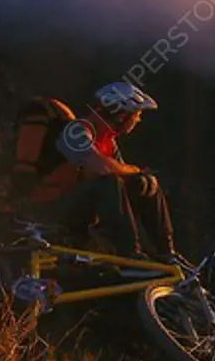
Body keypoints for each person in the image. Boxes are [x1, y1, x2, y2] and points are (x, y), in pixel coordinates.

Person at [26, 82, 178, 261]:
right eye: (136, 115)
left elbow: (125, 176)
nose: (138, 120)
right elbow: (100, 167)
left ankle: (167, 253)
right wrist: (136, 171)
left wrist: (144, 180)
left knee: (145, 184)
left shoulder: (108, 140)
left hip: (76, 205)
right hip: (50, 207)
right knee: (111, 182)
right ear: (121, 115)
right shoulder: (77, 131)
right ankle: (129, 255)